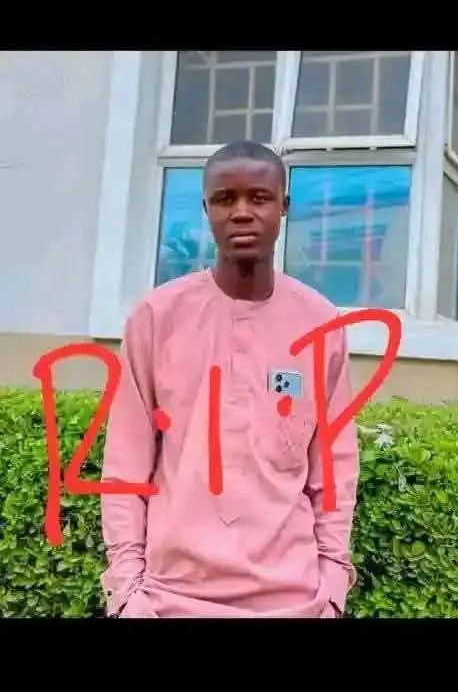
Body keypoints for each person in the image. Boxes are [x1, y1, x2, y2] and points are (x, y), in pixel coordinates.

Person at [100, 140, 359, 618]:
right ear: (206, 209)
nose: (242, 213)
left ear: (284, 206)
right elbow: (125, 468)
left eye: (259, 198)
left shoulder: (320, 324)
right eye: (225, 199)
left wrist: (332, 587)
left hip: (294, 598)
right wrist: (127, 592)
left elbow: (334, 471)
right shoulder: (157, 318)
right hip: (171, 597)